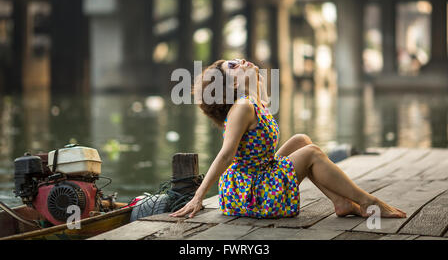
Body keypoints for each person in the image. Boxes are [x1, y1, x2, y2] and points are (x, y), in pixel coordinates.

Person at [169, 59, 406, 219]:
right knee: (312, 153)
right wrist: (198, 196)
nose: (242, 61)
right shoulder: (242, 106)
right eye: (233, 65)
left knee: (301, 140)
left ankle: (340, 202)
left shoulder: (253, 100)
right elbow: (226, 154)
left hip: (255, 178)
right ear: (229, 83)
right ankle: (367, 201)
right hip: (251, 194)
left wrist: (254, 82)